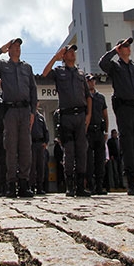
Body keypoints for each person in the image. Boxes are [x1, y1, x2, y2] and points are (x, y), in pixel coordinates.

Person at [99, 37, 134, 196]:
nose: (127, 48)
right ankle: (131, 182)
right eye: (124, 45)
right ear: (119, 49)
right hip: (124, 109)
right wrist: (113, 51)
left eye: (128, 45)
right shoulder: (115, 67)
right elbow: (102, 63)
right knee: (128, 145)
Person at [0, 38, 37, 198]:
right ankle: (11, 184)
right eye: (14, 47)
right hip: (10, 112)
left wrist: (33, 113)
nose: (17, 49)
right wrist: (2, 49)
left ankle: (24, 183)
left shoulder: (27, 67)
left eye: (19, 47)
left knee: (25, 149)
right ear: (9, 49)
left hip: (25, 110)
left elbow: (33, 90)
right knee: (11, 148)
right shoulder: (3, 65)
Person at [42, 44, 92, 197]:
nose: (72, 54)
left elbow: (88, 96)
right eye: (69, 52)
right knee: (69, 152)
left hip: (81, 116)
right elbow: (45, 73)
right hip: (66, 117)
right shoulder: (59, 72)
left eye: (73, 52)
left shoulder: (81, 73)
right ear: (63, 56)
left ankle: (80, 186)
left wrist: (89, 115)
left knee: (82, 151)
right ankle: (69, 185)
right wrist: (55, 58)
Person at [85, 73, 109, 195]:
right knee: (89, 160)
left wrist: (106, 131)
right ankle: (91, 185)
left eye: (93, 80)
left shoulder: (101, 97)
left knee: (100, 159)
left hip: (99, 130)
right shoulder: (83, 96)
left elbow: (105, 115)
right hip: (88, 131)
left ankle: (99, 186)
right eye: (89, 80)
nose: (91, 82)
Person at [30, 103, 49, 195]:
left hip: (40, 144)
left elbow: (46, 130)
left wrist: (46, 141)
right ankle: (32, 186)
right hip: (32, 143)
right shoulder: (29, 116)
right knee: (32, 166)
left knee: (41, 166)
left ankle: (40, 187)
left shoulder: (41, 117)